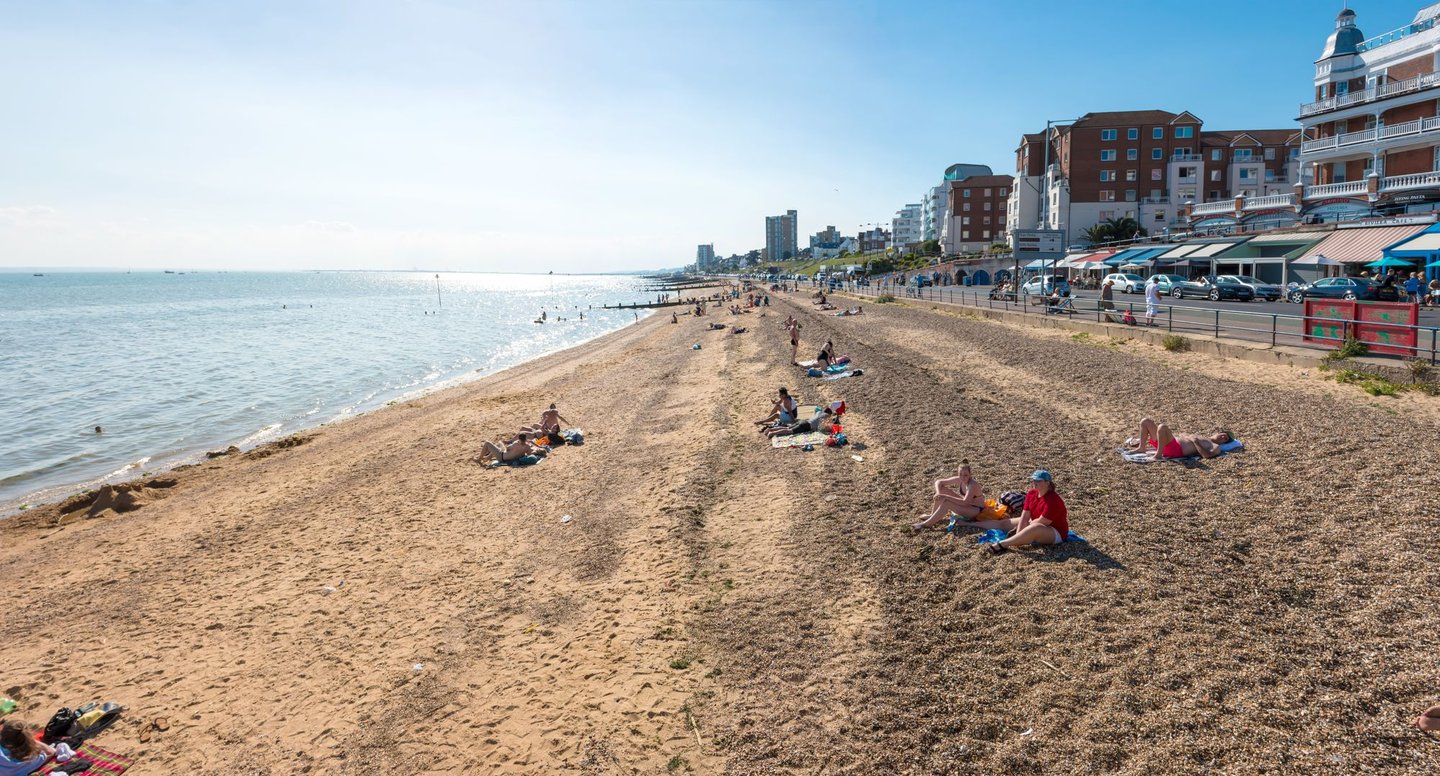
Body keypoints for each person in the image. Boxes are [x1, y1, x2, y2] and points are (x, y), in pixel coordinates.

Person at [965, 470, 1069, 554]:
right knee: (1006, 522)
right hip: (1036, 522)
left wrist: (1022, 531)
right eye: (1033, 480)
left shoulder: (1054, 500)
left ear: (1047, 483)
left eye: (1038, 481)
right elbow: (1025, 515)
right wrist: (1019, 531)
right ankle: (970, 524)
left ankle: (1003, 544)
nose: (1034, 483)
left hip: (1056, 531)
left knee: (1034, 528)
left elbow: (1043, 522)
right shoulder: (1032, 493)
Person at [912, 460, 985, 531]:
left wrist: (946, 497)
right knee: (942, 490)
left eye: (965, 475)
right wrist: (938, 493)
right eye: (960, 474)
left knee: (947, 503)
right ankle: (932, 515)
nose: (962, 477)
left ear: (970, 474)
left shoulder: (972, 485)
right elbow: (939, 482)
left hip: (975, 510)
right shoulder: (960, 479)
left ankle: (926, 524)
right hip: (967, 505)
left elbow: (964, 502)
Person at [1127, 418, 1231, 459]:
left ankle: (1158, 454)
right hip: (1166, 443)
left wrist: (1196, 442)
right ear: (1218, 432)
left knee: (1162, 427)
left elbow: (1207, 456)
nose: (1223, 437)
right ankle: (1142, 448)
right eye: (1223, 434)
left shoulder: (1215, 446)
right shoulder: (1201, 436)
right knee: (1145, 421)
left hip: (1175, 449)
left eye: (1226, 439)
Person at [764, 405, 836, 438]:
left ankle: (770, 429)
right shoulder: (826, 415)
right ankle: (772, 433)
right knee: (788, 431)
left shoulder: (819, 412)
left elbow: (818, 412)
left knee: (788, 428)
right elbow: (829, 424)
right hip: (806, 426)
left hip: (804, 421)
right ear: (829, 414)